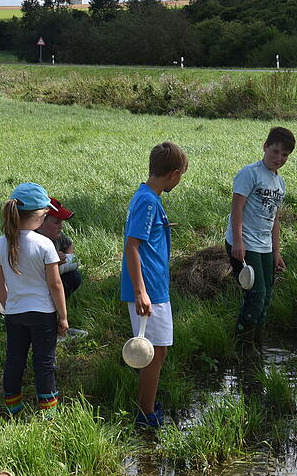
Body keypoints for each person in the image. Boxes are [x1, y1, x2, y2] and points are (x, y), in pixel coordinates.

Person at [122, 141, 188, 428]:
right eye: (181, 175)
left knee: (157, 350)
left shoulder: (148, 197)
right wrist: (140, 292)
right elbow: (132, 246)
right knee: (152, 352)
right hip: (148, 291)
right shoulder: (148, 201)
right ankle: (145, 414)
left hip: (155, 287)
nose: (180, 179)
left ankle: (147, 406)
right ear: (173, 174)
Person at [0, 183, 68, 415]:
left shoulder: (0, 244)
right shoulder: (44, 244)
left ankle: (13, 408)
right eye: (45, 214)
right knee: (44, 363)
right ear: (38, 217)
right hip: (43, 314)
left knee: (14, 361)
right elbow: (55, 284)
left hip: (14, 313)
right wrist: (62, 316)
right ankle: (49, 414)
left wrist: (7, 306)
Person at [226, 127, 294, 350]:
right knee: (256, 295)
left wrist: (276, 251)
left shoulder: (279, 183)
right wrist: (238, 241)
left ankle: (258, 345)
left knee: (266, 298)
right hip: (245, 243)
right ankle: (242, 346)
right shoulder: (250, 173)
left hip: (265, 246)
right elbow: (237, 207)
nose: (279, 158)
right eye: (275, 152)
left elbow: (275, 218)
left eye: (284, 155)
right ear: (265, 147)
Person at [35, 197, 81, 298]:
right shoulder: (32, 242)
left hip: (51, 279)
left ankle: (55, 301)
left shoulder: (56, 236)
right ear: (40, 223)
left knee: (73, 277)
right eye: (57, 222)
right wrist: (53, 262)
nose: (61, 226)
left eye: (61, 222)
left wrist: (68, 257)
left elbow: (69, 244)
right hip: (33, 285)